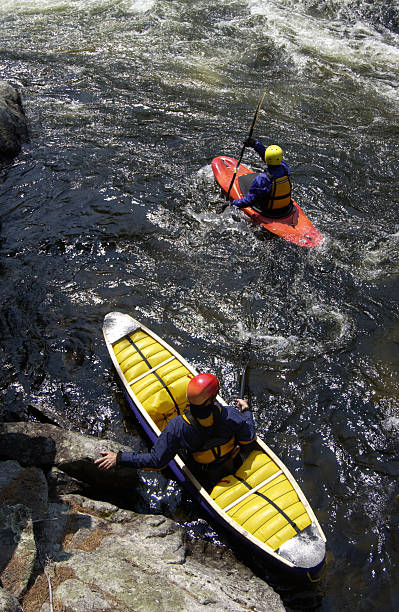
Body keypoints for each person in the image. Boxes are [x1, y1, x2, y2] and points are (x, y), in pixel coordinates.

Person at [95, 373, 256, 489]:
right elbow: (248, 437)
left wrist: (120, 458)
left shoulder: (177, 426)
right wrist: (246, 411)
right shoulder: (230, 414)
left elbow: (156, 461)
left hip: (202, 472)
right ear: (212, 400)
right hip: (232, 462)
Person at [231, 138, 293, 218]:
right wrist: (255, 144)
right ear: (280, 158)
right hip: (285, 207)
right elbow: (270, 158)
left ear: (266, 160)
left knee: (252, 189)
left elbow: (249, 201)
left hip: (268, 211)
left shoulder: (262, 179)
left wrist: (233, 203)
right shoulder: (286, 169)